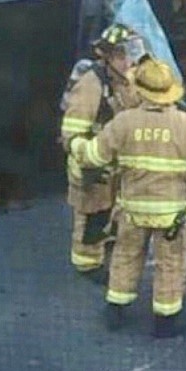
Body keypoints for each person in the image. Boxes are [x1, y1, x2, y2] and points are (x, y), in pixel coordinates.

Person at [70, 58, 186, 338]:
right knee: (171, 264)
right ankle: (165, 320)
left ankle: (116, 309)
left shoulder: (124, 122)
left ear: (140, 90)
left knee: (125, 256)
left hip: (132, 210)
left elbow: (94, 156)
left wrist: (75, 143)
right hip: (172, 215)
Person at [60, 23, 145, 282]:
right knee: (92, 216)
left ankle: (104, 244)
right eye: (121, 55)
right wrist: (91, 159)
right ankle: (87, 263)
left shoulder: (126, 80)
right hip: (92, 166)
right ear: (107, 57)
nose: (129, 60)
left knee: (110, 211)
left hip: (114, 164)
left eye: (131, 52)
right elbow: (71, 133)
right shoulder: (91, 85)